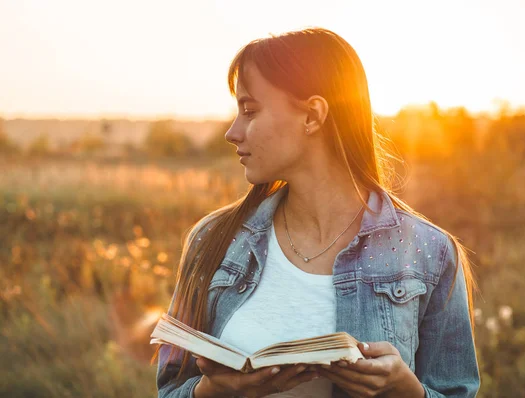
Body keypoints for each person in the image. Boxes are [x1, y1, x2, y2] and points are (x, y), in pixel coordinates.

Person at [155, 27, 480, 398]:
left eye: (249, 110)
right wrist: (212, 390)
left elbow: (457, 392)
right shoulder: (212, 240)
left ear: (312, 115)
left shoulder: (430, 254)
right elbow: (169, 390)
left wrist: (407, 392)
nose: (232, 131)